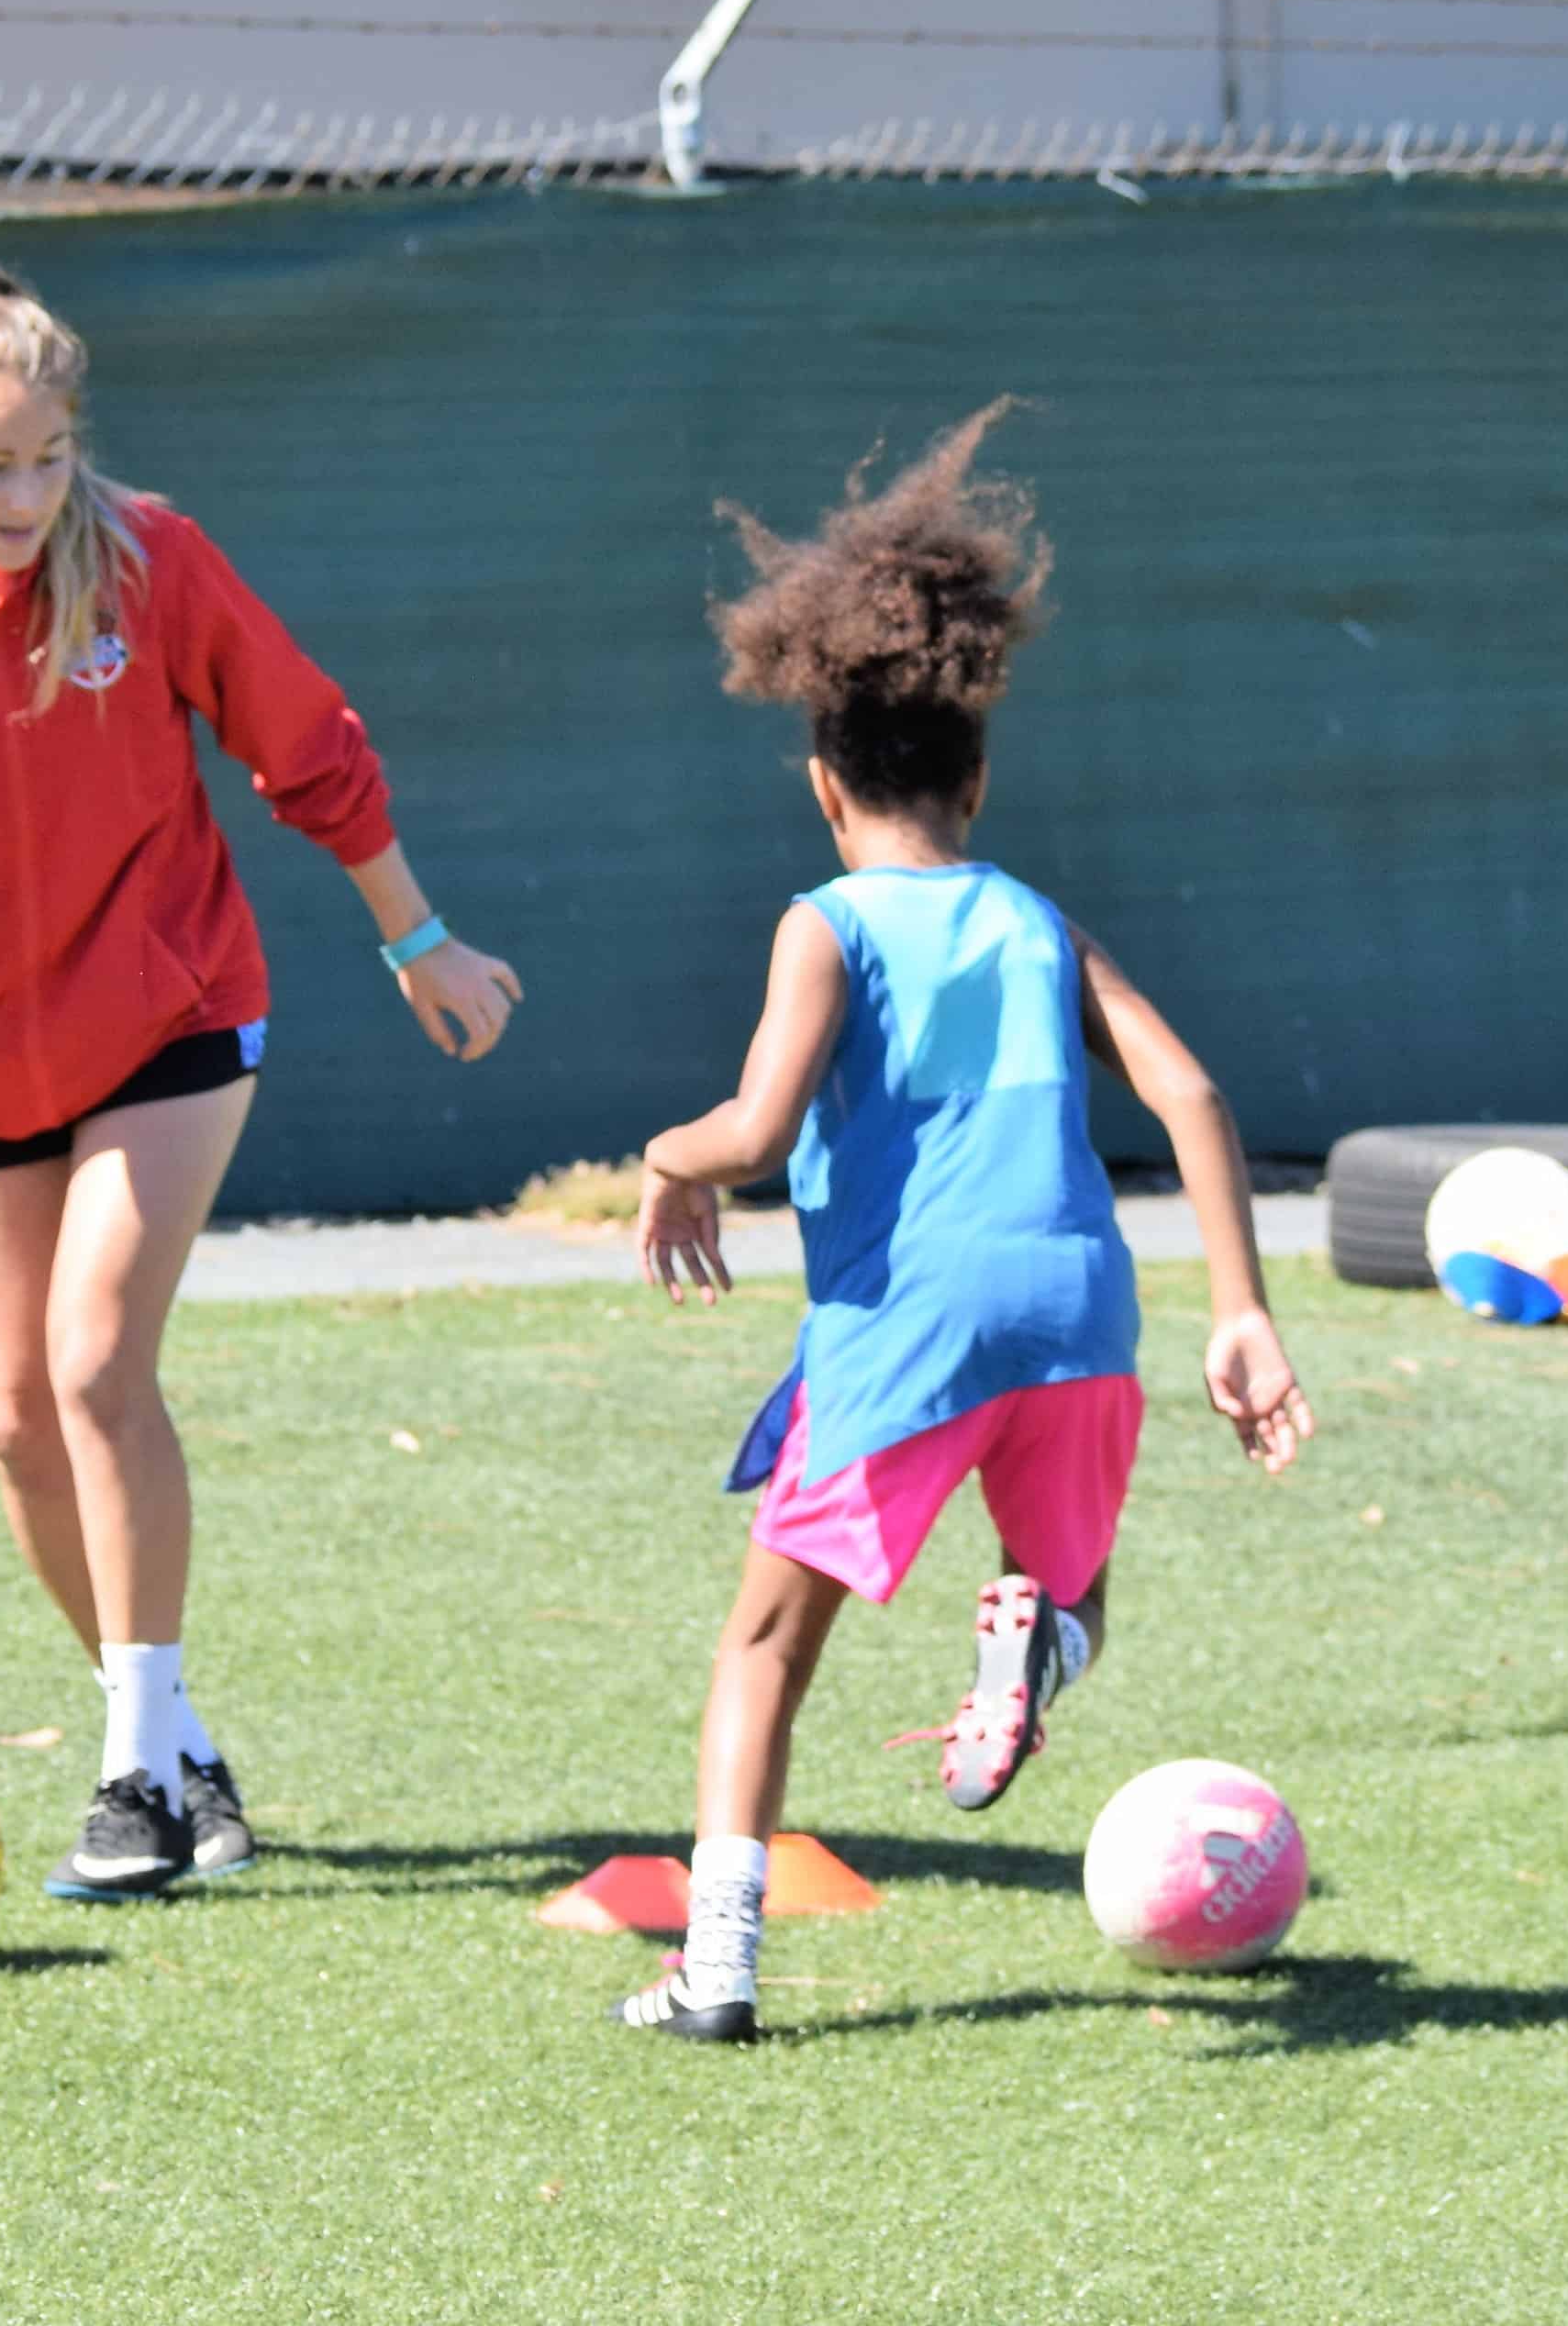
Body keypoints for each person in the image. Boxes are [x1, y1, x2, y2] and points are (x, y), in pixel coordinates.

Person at [0, 262, 521, 1903]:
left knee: (93, 1366)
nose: (27, 494)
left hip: (169, 1011)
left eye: (50, 454)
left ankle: (133, 1785)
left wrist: (417, 940)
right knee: (12, 1416)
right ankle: (169, 1732)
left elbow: (309, 745)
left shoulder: (143, 560)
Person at [612, 404, 1310, 2042]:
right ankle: (1037, 1638)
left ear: (819, 784)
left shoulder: (825, 921)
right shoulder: (1035, 919)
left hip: (907, 1328)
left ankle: (715, 1967)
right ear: (978, 774)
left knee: (764, 1652)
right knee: (1074, 1590)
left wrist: (666, 1152)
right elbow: (1192, 1095)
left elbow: (758, 1124)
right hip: (1078, 1312)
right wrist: (1240, 1309)